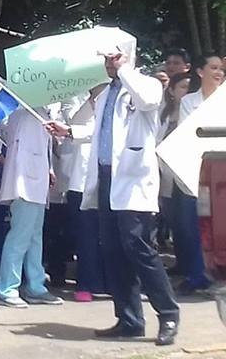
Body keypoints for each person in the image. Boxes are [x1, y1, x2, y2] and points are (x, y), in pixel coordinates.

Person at [52, 48, 179, 346]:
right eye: (107, 60)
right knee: (112, 250)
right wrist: (69, 131)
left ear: (129, 58)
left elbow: (148, 101)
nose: (110, 64)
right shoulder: (108, 94)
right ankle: (129, 319)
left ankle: (169, 314)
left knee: (138, 246)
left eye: (115, 58)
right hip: (106, 179)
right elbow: (100, 131)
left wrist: (126, 70)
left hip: (133, 179)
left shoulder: (146, 85)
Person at [0, 105, 64, 308]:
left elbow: (45, 145)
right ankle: (8, 288)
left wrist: (50, 168)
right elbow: (11, 136)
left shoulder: (44, 109)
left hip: (38, 177)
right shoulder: (20, 107)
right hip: (24, 178)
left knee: (35, 235)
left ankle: (36, 285)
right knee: (20, 235)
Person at [173, 52, 224, 295]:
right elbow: (189, 135)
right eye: (213, 67)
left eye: (222, 69)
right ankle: (197, 275)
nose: (218, 72)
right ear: (200, 72)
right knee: (193, 227)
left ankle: (222, 276)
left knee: (221, 227)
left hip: (223, 173)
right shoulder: (188, 102)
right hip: (194, 171)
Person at [60, 85, 108, 303]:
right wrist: (93, 96)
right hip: (81, 178)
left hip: (110, 176)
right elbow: (74, 125)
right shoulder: (73, 95)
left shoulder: (120, 93)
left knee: (109, 234)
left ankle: (108, 282)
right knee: (85, 235)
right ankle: (86, 282)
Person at [158, 71, 192, 273]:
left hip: (186, 173)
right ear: (171, 90)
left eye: (189, 87)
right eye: (182, 87)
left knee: (187, 222)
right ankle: (180, 262)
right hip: (165, 172)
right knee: (173, 220)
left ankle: (191, 266)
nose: (186, 91)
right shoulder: (163, 113)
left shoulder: (195, 111)